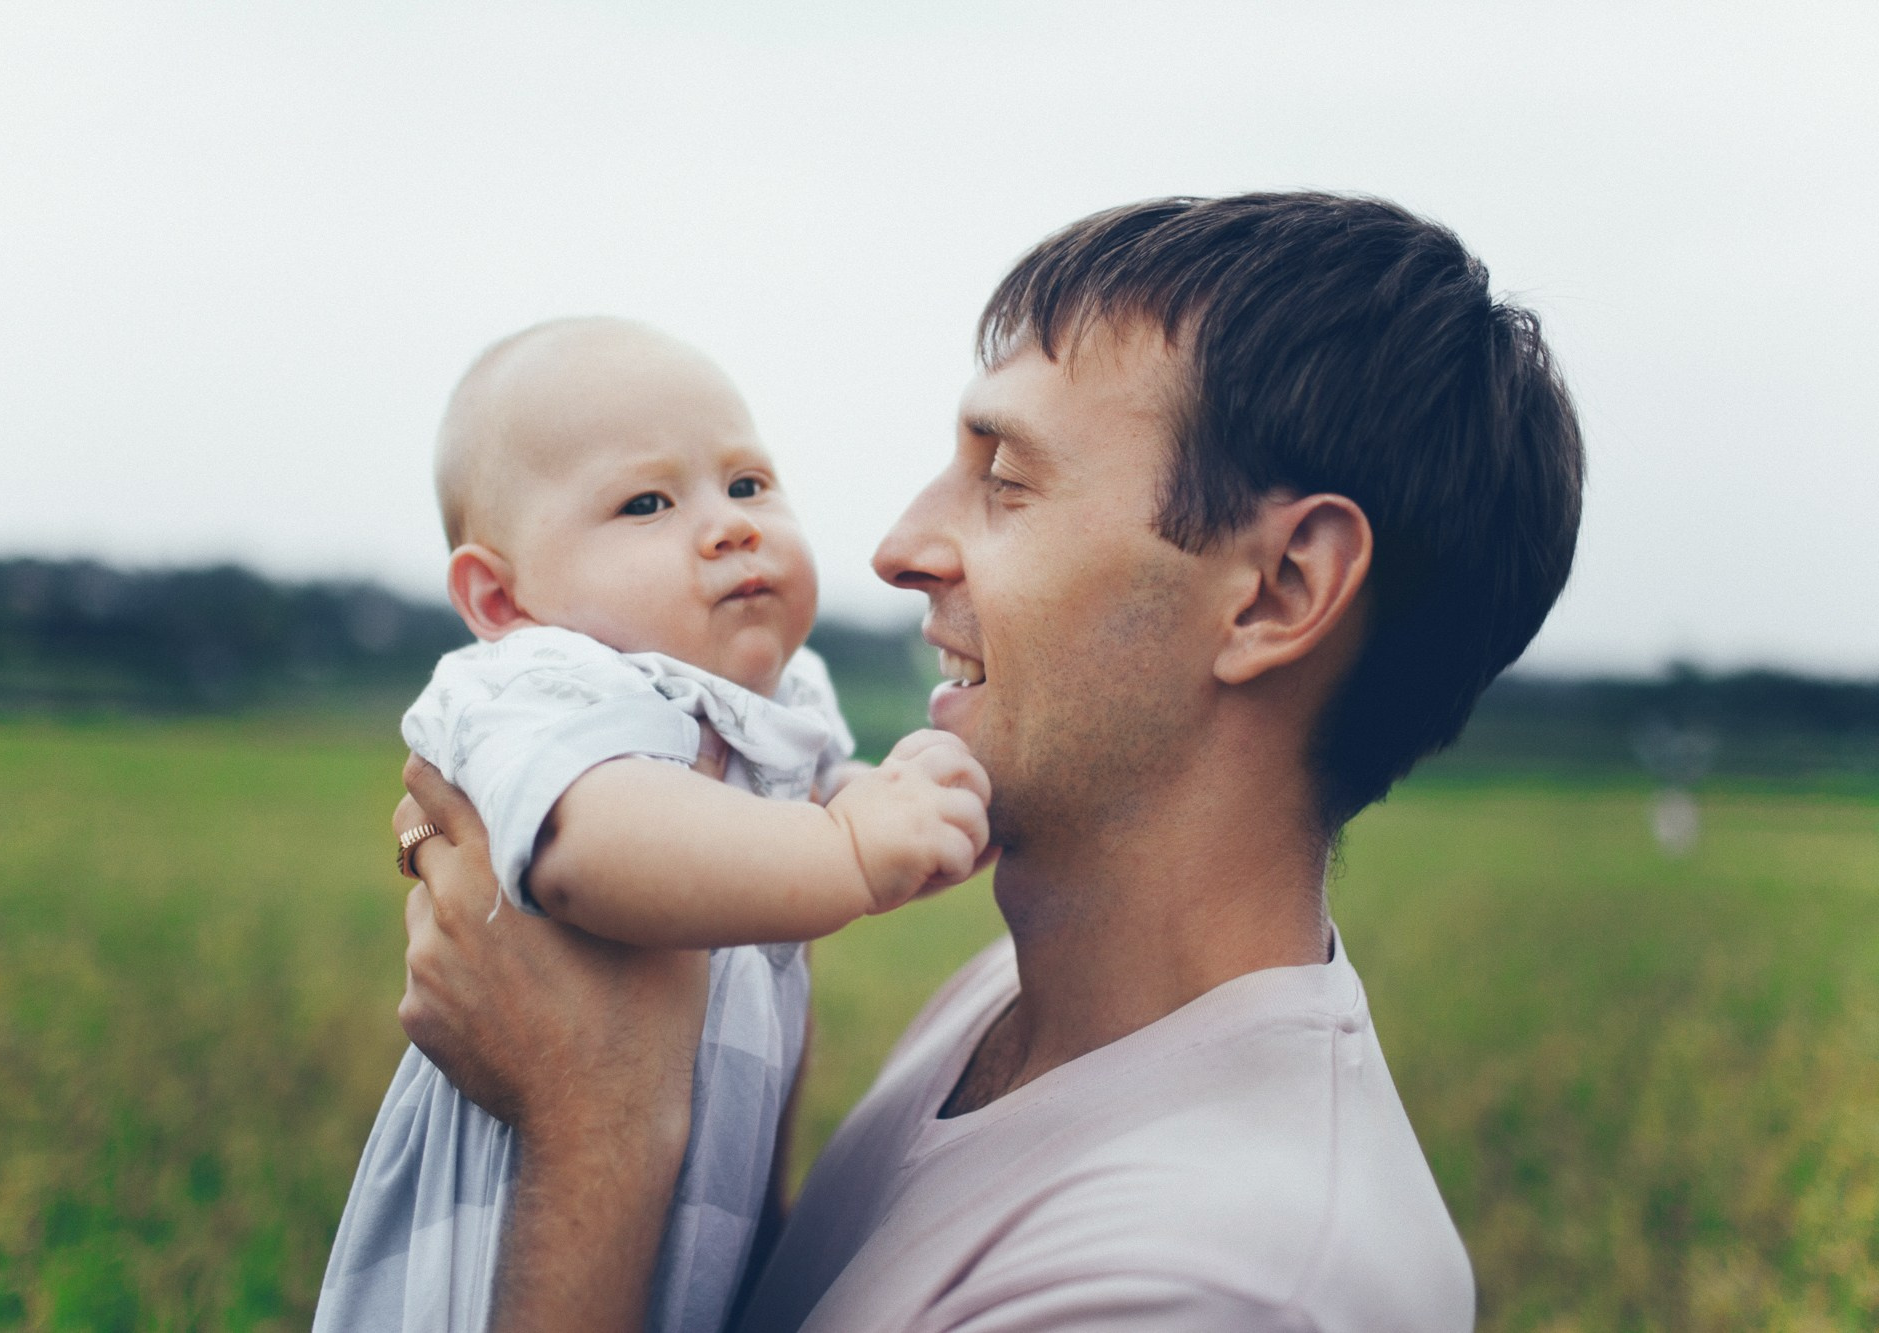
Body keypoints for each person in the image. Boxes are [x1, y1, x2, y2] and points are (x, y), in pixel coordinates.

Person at [388, 193, 1585, 1330]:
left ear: (1276, 591)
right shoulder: (1008, 999)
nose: (897, 547)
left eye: (1003, 481)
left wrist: (593, 1126)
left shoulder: (1216, 1285)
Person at [317, 318, 991, 1333]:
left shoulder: (771, 693)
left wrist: (877, 793)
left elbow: (791, 810)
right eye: (645, 502)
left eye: (748, 484)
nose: (728, 525)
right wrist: (849, 848)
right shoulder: (538, 681)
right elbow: (596, 843)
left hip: (677, 1227)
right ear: (500, 596)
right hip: (496, 1254)